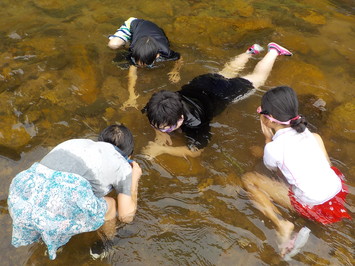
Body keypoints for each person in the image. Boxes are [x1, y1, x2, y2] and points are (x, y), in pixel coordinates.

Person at [242, 86, 351, 259]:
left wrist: (267, 139)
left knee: (249, 179)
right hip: (338, 190)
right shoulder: (312, 136)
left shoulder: (273, 148)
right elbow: (326, 164)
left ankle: (281, 224)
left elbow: (272, 170)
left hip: (314, 205)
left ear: (267, 120)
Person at [7, 124, 142, 260]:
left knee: (58, 199)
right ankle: (106, 242)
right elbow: (126, 216)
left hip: (21, 197)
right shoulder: (122, 165)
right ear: (128, 155)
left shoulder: (75, 142)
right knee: (111, 204)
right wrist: (134, 178)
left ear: (100, 140)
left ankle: (52, 241)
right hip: (59, 203)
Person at [141, 42, 293, 159]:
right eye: (158, 126)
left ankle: (274, 51)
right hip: (202, 82)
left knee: (257, 79)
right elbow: (154, 119)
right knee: (225, 73)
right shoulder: (157, 103)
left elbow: (196, 151)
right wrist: (160, 133)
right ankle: (250, 52)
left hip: (221, 93)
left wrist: (162, 150)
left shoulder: (196, 122)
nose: (163, 129)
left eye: (168, 128)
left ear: (182, 118)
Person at [108, 17, 183, 110]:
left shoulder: (165, 52)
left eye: (143, 65)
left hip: (155, 31)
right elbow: (132, 75)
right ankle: (127, 39)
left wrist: (175, 70)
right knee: (113, 45)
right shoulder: (135, 50)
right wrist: (131, 96)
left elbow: (179, 58)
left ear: (157, 56)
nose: (139, 66)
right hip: (134, 24)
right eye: (138, 64)